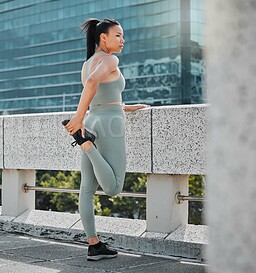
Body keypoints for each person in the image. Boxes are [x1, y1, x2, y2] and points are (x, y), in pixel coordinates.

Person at [63, 18, 150, 261]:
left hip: (94, 120)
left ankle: (94, 245)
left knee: (87, 189)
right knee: (113, 187)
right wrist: (77, 120)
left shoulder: (87, 63)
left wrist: (125, 107)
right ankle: (86, 143)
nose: (123, 41)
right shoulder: (111, 59)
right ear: (104, 37)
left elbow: (100, 93)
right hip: (108, 125)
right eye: (118, 36)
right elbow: (93, 83)